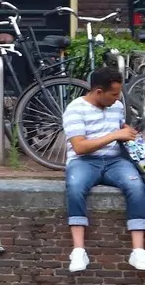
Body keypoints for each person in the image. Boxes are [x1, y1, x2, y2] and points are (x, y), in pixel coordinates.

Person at [61, 67, 145, 273]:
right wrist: (115, 135)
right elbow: (80, 147)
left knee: (136, 186)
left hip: (115, 161)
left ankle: (138, 251)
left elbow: (119, 130)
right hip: (84, 161)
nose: (118, 99)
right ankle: (79, 250)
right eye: (114, 93)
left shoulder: (115, 106)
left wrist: (131, 135)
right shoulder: (75, 109)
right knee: (75, 186)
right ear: (99, 91)